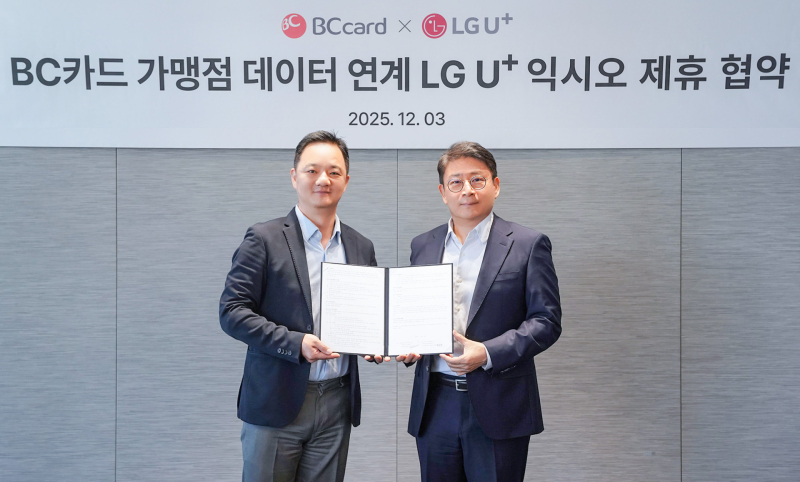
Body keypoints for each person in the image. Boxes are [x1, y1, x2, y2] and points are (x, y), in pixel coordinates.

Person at [220, 130, 385, 482]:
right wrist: (296, 343)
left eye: (334, 172)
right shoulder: (264, 239)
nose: (323, 179)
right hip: (276, 400)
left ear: (346, 181)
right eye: (312, 170)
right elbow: (232, 311)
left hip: (337, 401)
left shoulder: (360, 246)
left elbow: (368, 315)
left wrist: (379, 343)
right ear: (295, 177)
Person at [397, 141, 562, 482]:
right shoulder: (423, 245)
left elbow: (546, 321)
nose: (467, 190)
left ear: (496, 185)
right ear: (443, 192)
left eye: (477, 179)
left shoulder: (528, 244)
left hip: (500, 402)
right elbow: (415, 314)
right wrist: (407, 343)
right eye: (456, 182)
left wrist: (486, 352)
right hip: (434, 402)